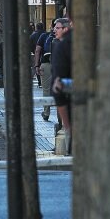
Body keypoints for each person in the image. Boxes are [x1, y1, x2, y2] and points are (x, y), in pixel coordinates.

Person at [50, 17, 72, 154]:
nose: (54, 30)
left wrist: (67, 125)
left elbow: (57, 86)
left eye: (57, 28)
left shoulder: (62, 46)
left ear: (66, 28)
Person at [30, 22, 45, 88]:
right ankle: (43, 80)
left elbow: (30, 44)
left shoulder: (33, 35)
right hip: (44, 53)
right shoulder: (45, 34)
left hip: (35, 53)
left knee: (37, 66)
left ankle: (40, 82)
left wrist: (32, 51)